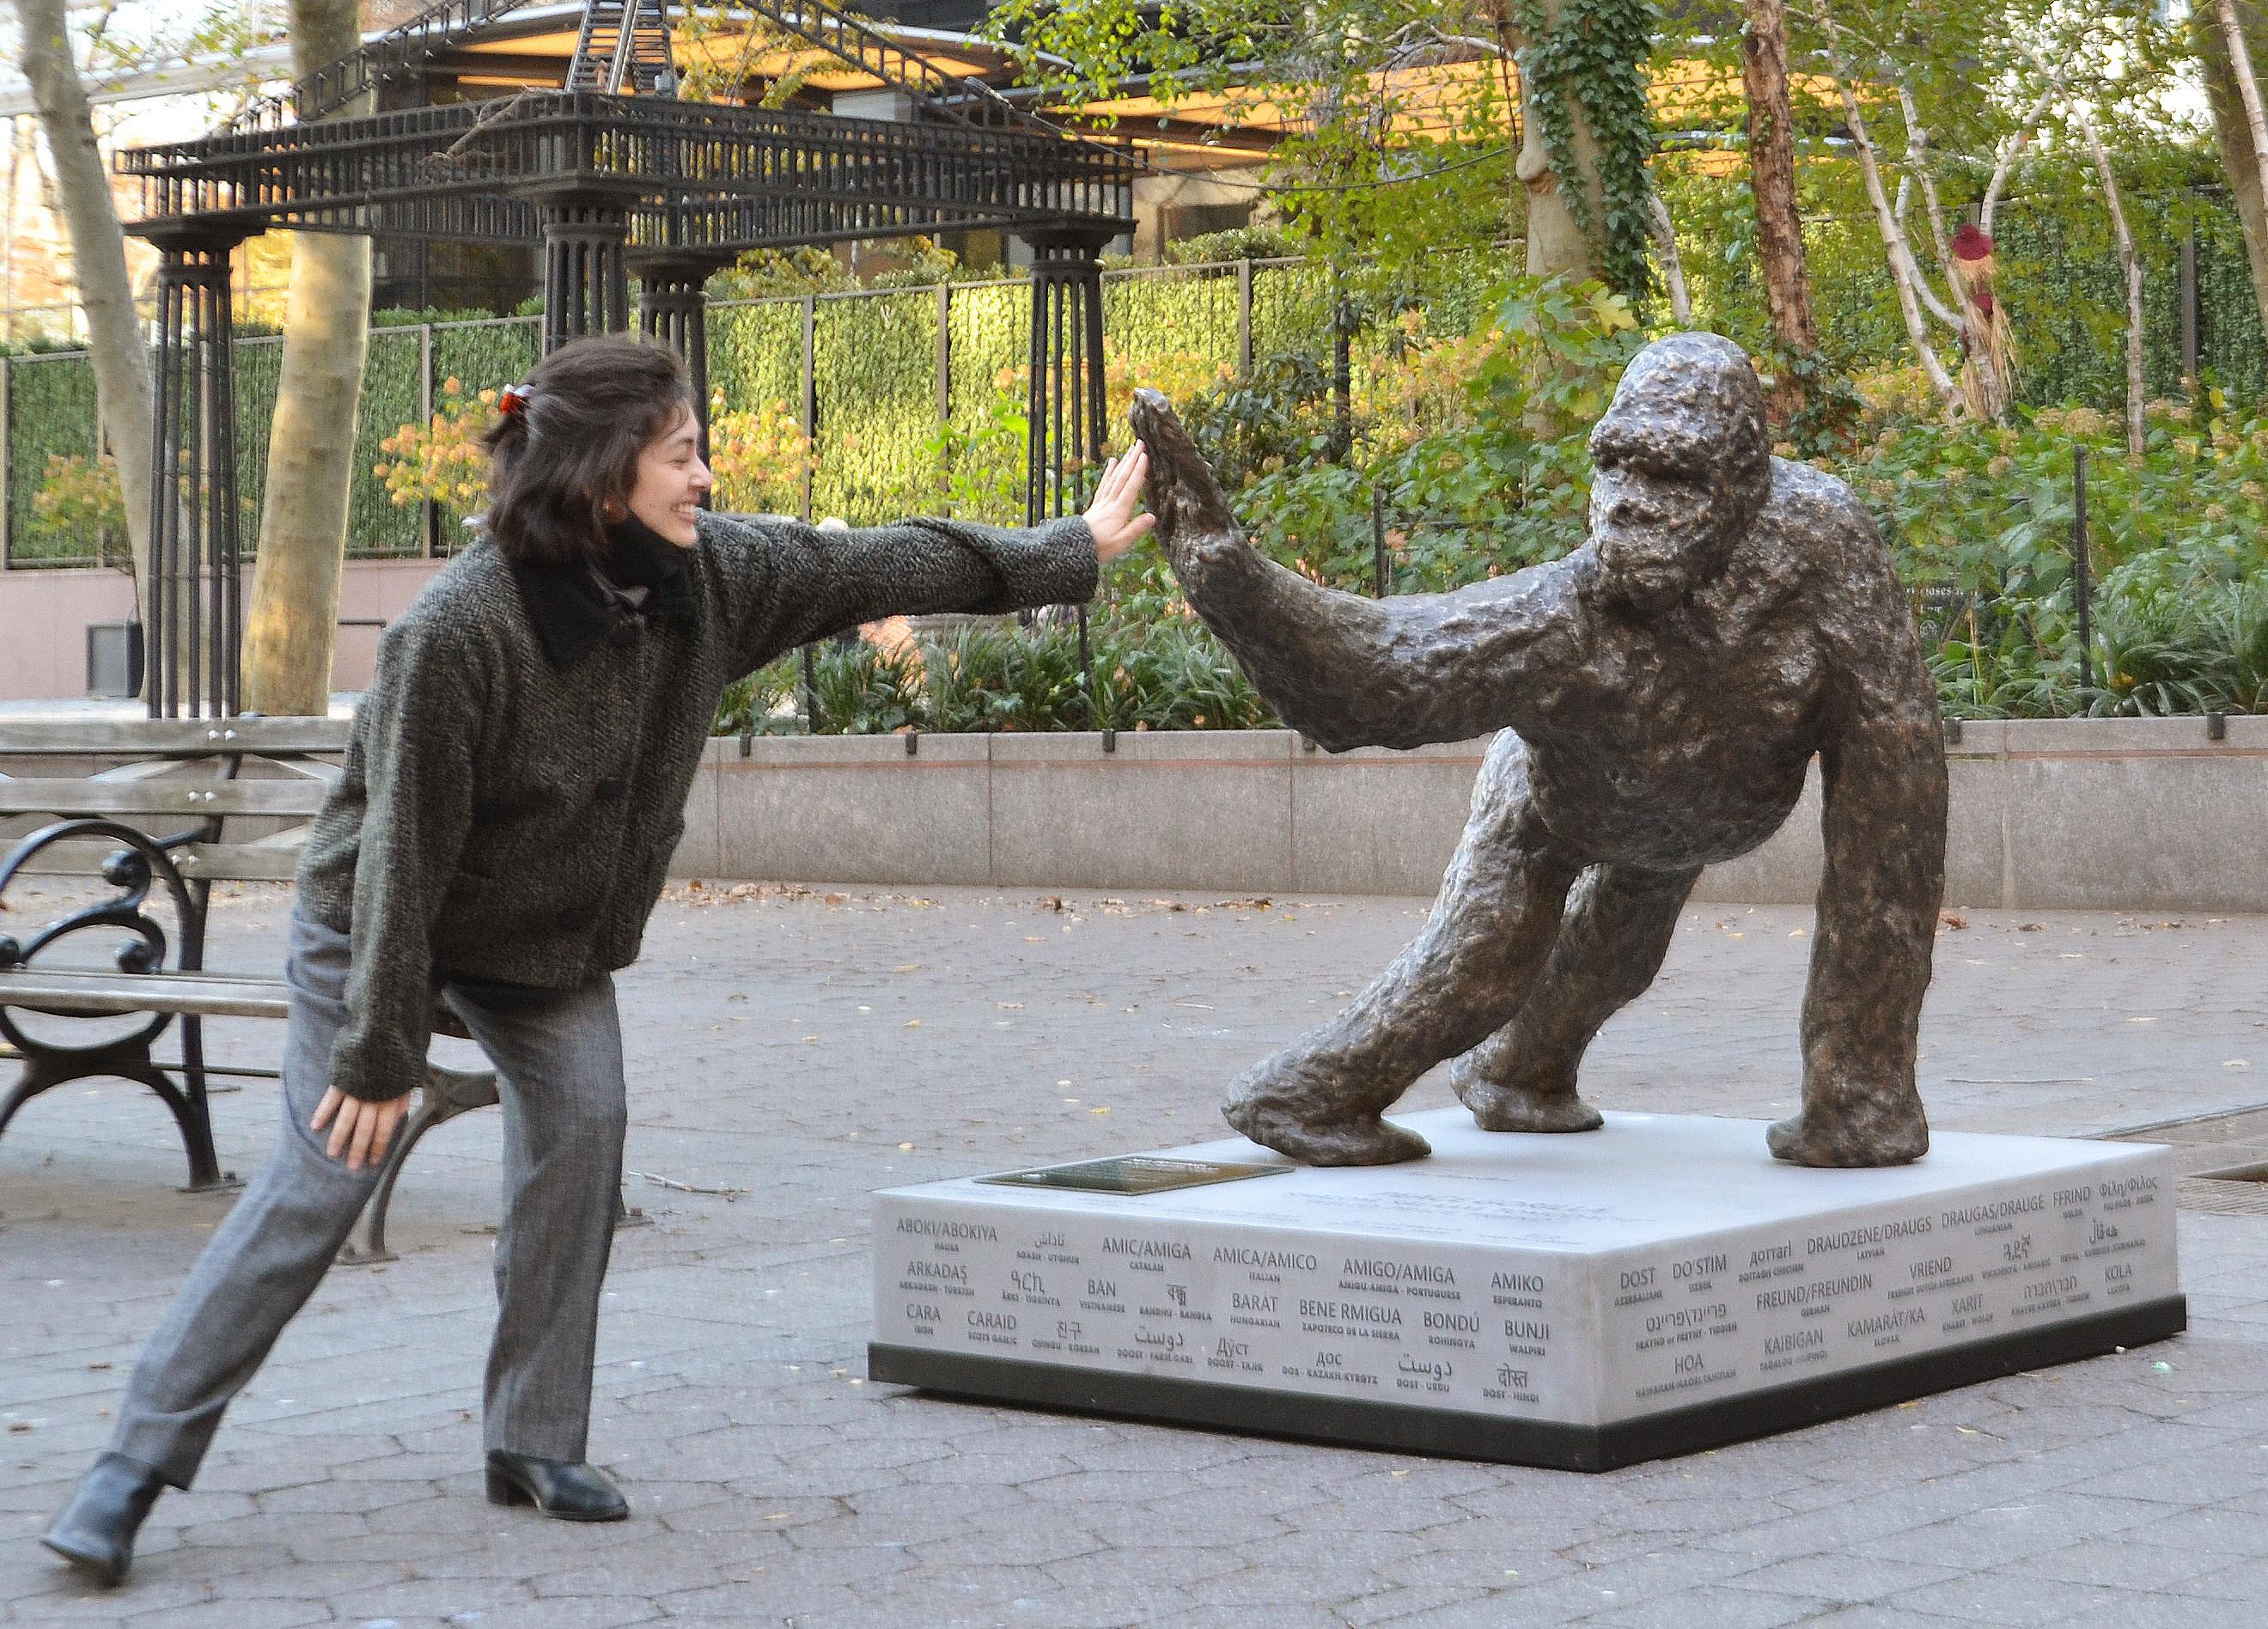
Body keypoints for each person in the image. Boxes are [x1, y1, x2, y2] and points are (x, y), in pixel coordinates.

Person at [42, 333, 1152, 1585]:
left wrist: (1071, 551)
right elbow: (405, 854)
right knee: (322, 1176)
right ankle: (131, 1466)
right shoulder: (459, 633)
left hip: (543, 943)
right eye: (684, 455)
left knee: (584, 1130)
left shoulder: (714, 577)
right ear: (603, 469)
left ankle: (532, 1439)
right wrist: (378, 1050)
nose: (706, 477)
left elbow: (875, 560)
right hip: (380, 932)